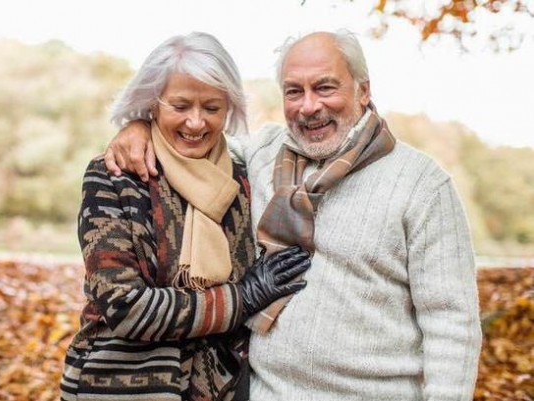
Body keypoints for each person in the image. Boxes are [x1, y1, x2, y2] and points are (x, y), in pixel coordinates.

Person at [104, 30, 482, 401]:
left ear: (363, 91)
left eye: (325, 87)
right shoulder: (262, 154)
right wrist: (139, 127)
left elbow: (451, 322)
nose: (309, 106)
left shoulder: (421, 184)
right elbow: (192, 138)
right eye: (294, 91)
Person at [60, 32, 311, 401]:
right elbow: (124, 306)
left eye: (211, 108)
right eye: (180, 106)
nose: (196, 123)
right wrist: (242, 297)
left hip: (220, 388)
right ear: (153, 102)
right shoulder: (114, 176)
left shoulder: (244, 178)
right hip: (119, 386)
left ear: (229, 108)